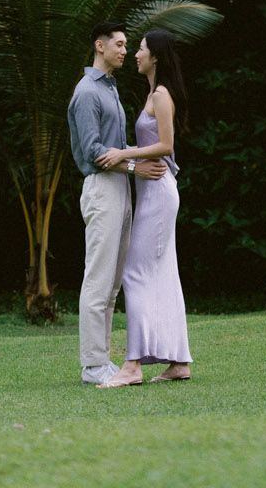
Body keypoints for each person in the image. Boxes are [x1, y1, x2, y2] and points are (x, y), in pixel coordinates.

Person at [66, 20, 166, 386]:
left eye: (127, 45)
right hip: (102, 188)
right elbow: (94, 151)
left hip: (120, 186)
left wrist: (135, 162)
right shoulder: (87, 92)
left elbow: (116, 147)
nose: (126, 51)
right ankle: (92, 365)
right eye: (120, 44)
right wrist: (136, 167)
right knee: (98, 279)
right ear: (100, 45)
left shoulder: (109, 88)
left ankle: (102, 360)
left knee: (112, 283)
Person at [96, 27, 193, 386]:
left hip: (158, 194)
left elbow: (167, 145)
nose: (135, 54)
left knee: (135, 273)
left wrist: (125, 154)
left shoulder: (162, 95)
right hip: (151, 192)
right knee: (164, 275)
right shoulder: (153, 93)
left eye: (140, 48)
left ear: (155, 57)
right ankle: (179, 362)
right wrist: (131, 156)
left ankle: (132, 365)